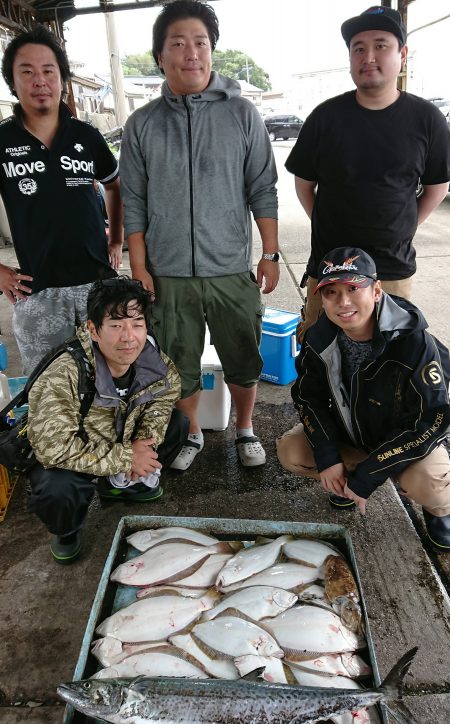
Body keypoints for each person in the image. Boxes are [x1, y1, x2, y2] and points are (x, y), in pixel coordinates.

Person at [119, 0, 280, 471]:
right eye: (178, 43)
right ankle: (190, 431)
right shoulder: (142, 124)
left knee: (243, 357)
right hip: (168, 274)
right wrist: (140, 265)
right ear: (160, 56)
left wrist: (269, 252)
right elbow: (134, 202)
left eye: (201, 43)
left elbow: (262, 188)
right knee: (177, 364)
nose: (191, 52)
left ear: (212, 52)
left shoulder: (243, 114)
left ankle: (245, 429)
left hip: (231, 268)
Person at [285, 6, 450, 341]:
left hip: (391, 270)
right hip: (330, 271)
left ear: (402, 54)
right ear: (350, 58)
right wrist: (325, 222)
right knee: (322, 361)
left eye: (381, 45)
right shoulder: (325, 117)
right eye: (358, 48)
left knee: (391, 365)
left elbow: (437, 184)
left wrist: (404, 224)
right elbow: (304, 184)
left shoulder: (427, 119)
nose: (368, 56)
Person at [276, 246, 450, 553]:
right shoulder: (319, 338)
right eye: (331, 292)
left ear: (377, 290)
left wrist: (370, 474)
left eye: (354, 288)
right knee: (292, 451)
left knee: (432, 486)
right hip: (353, 433)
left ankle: (440, 512)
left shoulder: (414, 340)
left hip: (405, 442)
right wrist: (328, 457)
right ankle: (346, 478)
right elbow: (307, 398)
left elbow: (433, 418)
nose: (343, 302)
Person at [27, 277, 187, 564]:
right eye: (115, 325)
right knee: (56, 487)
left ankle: (123, 486)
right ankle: (66, 529)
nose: (128, 337)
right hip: (80, 454)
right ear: (93, 329)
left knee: (177, 424)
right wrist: (127, 458)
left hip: (122, 440)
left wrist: (144, 444)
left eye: (136, 324)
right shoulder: (63, 373)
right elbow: (53, 448)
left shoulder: (153, 359)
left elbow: (165, 397)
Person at [0, 25, 124, 374]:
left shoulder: (87, 136)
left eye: (48, 71)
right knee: (48, 387)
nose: (39, 80)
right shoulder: (2, 141)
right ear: (13, 81)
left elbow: (114, 186)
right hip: (36, 290)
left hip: (96, 285)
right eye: (27, 71)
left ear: (62, 79)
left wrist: (115, 238)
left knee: (108, 378)